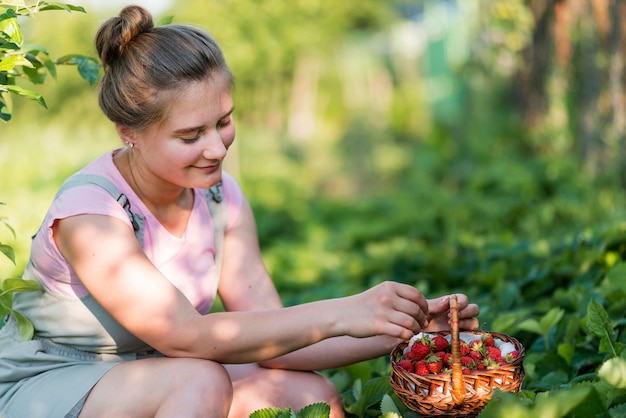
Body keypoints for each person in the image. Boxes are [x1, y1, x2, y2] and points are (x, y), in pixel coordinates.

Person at [0, 5, 480, 418]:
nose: (216, 148)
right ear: (129, 130)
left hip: (156, 371)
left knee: (306, 395)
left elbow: (272, 334)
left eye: (224, 122)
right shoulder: (93, 214)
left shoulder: (218, 197)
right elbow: (186, 337)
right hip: (54, 379)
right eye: (190, 136)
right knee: (199, 380)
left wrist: (397, 330)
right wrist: (344, 310)